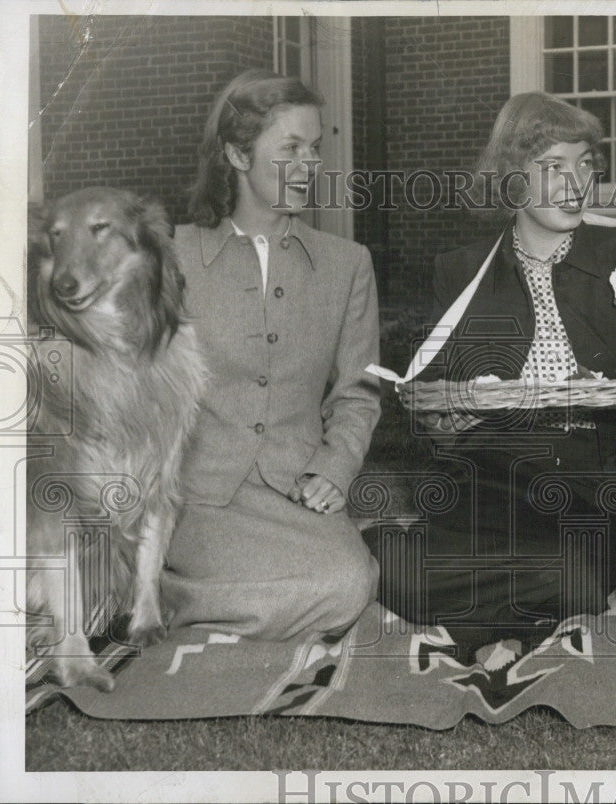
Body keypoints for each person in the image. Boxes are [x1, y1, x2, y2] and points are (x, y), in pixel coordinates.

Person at [365, 92, 616, 661]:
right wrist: (449, 424)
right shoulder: (462, 271)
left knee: (574, 576)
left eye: (585, 164)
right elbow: (443, 412)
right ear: (510, 178)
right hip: (497, 482)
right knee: (389, 566)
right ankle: (504, 598)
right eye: (552, 168)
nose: (575, 184)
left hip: (600, 491)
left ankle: (484, 607)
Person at [162, 70, 380, 639]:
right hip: (198, 492)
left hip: (295, 488)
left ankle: (171, 598)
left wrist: (336, 467)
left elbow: (358, 393)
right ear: (236, 154)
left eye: (315, 149)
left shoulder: (347, 263)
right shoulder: (172, 257)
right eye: (290, 149)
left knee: (352, 581)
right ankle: (167, 577)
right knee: (333, 588)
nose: (310, 165)